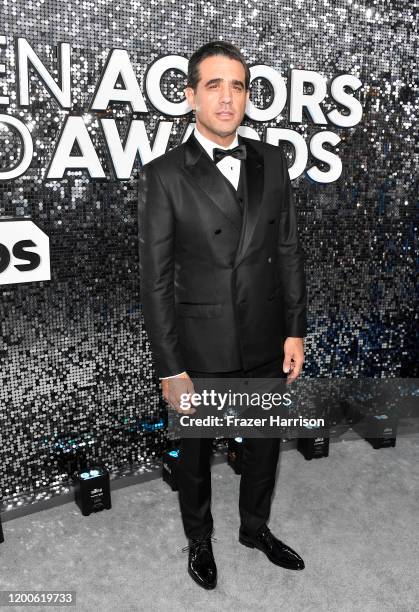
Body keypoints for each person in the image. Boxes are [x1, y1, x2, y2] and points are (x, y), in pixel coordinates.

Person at [138, 41, 307, 590]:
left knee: (262, 448)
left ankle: (254, 528)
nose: (227, 97)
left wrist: (295, 330)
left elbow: (287, 250)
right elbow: (155, 280)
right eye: (214, 85)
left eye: (237, 85)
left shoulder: (272, 160)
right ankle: (199, 538)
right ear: (190, 97)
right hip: (201, 346)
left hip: (264, 335)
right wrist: (170, 368)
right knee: (195, 457)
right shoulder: (164, 174)